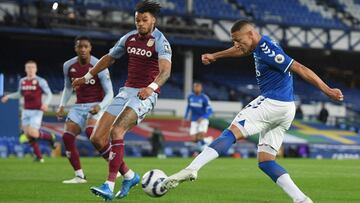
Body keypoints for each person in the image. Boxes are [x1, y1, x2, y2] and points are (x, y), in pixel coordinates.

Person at [162, 20, 343, 203]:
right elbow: (241, 50)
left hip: (273, 102)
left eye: (238, 39)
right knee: (266, 161)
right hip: (286, 108)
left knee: (231, 132)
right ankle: (302, 200)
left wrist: (327, 90)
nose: (236, 44)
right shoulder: (257, 45)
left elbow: (300, 68)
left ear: (251, 34)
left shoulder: (266, 48)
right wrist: (216, 55)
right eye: (233, 40)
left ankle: (192, 168)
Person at [72, 0, 172, 200]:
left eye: (144, 20)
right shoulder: (129, 38)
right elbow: (109, 58)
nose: (140, 24)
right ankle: (129, 175)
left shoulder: (161, 41)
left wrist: (151, 88)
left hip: (145, 94)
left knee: (117, 131)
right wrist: (87, 77)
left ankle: (109, 185)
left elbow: (165, 72)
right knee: (97, 138)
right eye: (137, 20)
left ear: (153, 20)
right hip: (126, 91)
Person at [56, 36, 114, 184]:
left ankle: (115, 165)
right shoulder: (68, 66)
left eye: (85, 47)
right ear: (75, 48)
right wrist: (62, 105)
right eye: (79, 47)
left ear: (90, 48)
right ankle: (79, 176)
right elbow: (68, 87)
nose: (82, 49)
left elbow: (110, 93)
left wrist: (100, 106)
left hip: (97, 104)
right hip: (78, 106)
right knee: (67, 137)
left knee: (91, 133)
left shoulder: (99, 65)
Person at [1, 60, 54, 162]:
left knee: (33, 133)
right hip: (26, 111)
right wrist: (8, 96)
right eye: (28, 67)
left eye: (32, 67)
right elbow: (19, 94)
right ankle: (39, 157)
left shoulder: (40, 81)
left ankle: (50, 137)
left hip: (37, 110)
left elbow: (49, 94)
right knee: (28, 135)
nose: (30, 69)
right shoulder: (23, 81)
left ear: (36, 69)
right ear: (25, 69)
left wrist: (46, 104)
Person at [183, 82, 213, 151]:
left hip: (203, 120)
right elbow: (188, 107)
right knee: (194, 139)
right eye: (195, 87)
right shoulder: (190, 97)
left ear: (201, 88)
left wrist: (203, 117)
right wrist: (185, 117)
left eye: (198, 87)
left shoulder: (204, 98)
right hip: (194, 120)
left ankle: (204, 147)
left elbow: (210, 110)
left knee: (200, 135)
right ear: (194, 88)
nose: (197, 88)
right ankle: (207, 140)